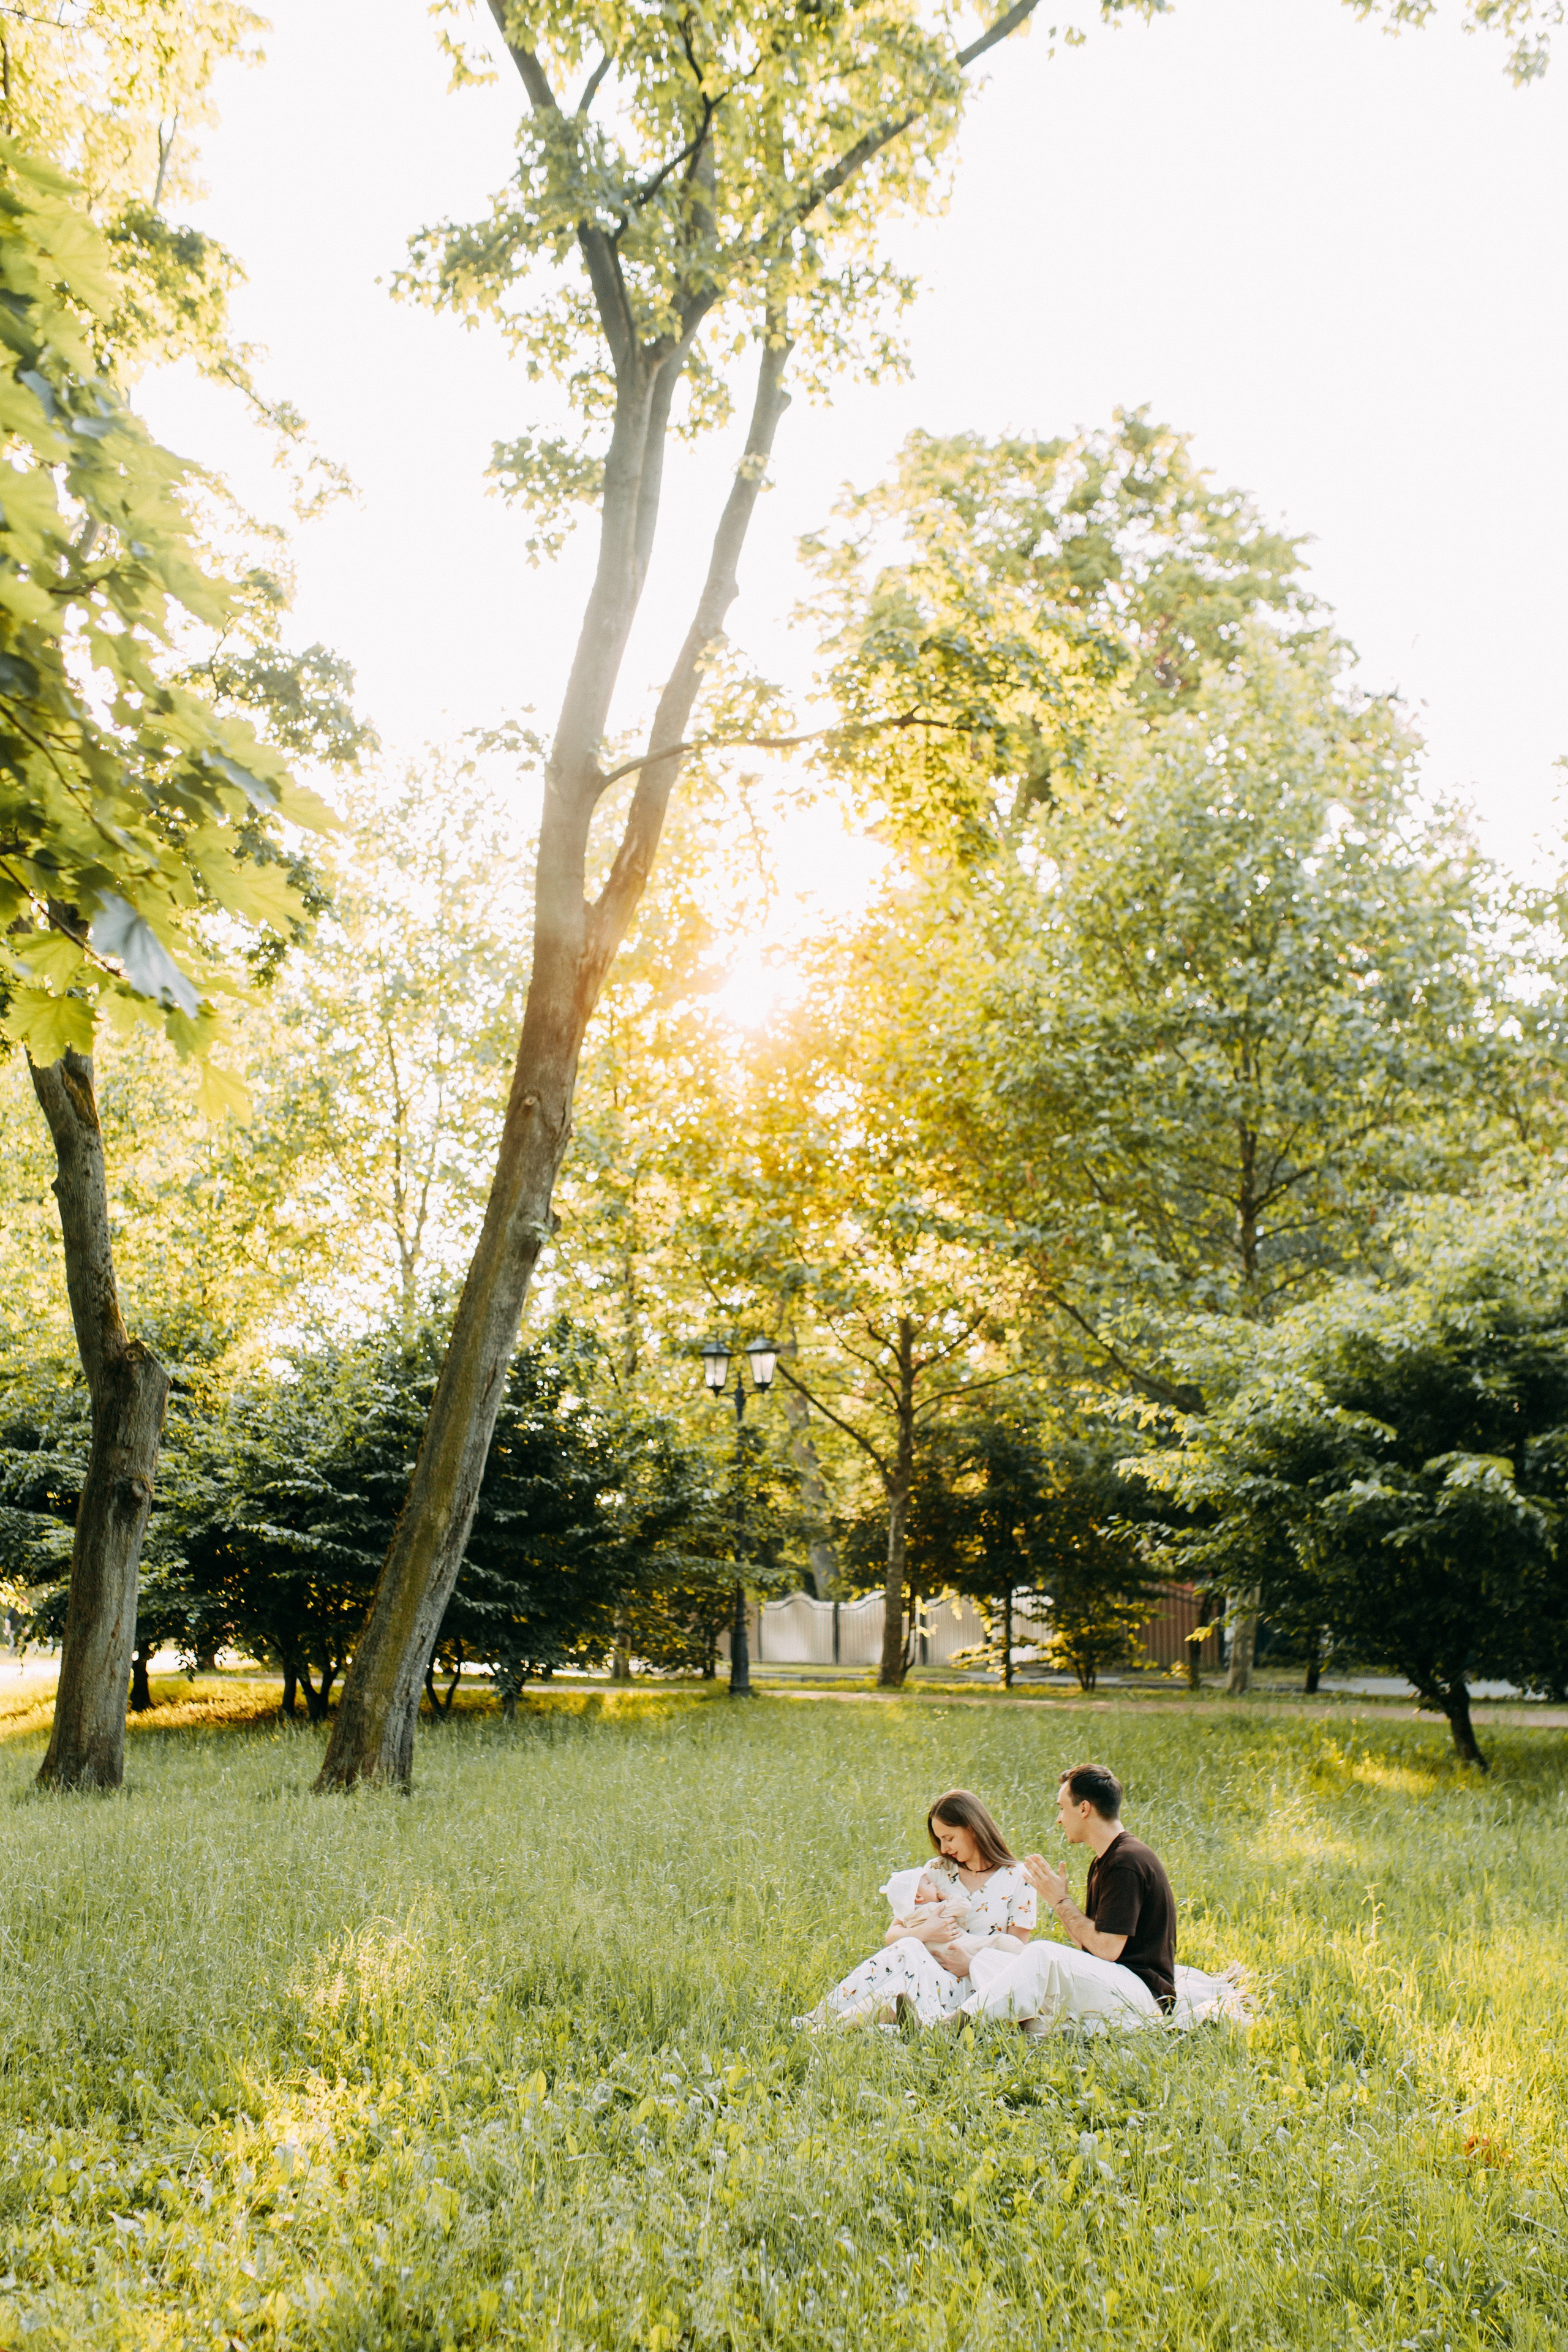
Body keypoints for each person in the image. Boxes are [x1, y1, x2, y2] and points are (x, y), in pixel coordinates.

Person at [963, 1763, 1176, 2035]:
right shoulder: (1104, 1861)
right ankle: (1027, 2029)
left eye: (1062, 1808)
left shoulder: (1127, 1862)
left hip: (1143, 1997)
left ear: (1084, 1808)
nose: (1059, 1819)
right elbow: (1090, 1946)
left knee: (1042, 1953)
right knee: (988, 1961)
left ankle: (953, 2026)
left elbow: (1107, 1949)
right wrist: (1058, 1902)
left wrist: (1061, 1901)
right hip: (1114, 1983)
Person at [800, 1788, 1036, 2029]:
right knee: (908, 1954)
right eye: (939, 1840)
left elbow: (1017, 1957)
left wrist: (971, 1964)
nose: (944, 1849)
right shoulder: (936, 1871)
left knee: (902, 1978)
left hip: (974, 1985)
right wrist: (926, 1932)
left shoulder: (1019, 1878)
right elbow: (893, 1936)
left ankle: (820, 2027)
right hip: (923, 1971)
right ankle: (819, 2022)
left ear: (973, 1829)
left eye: (949, 1838)